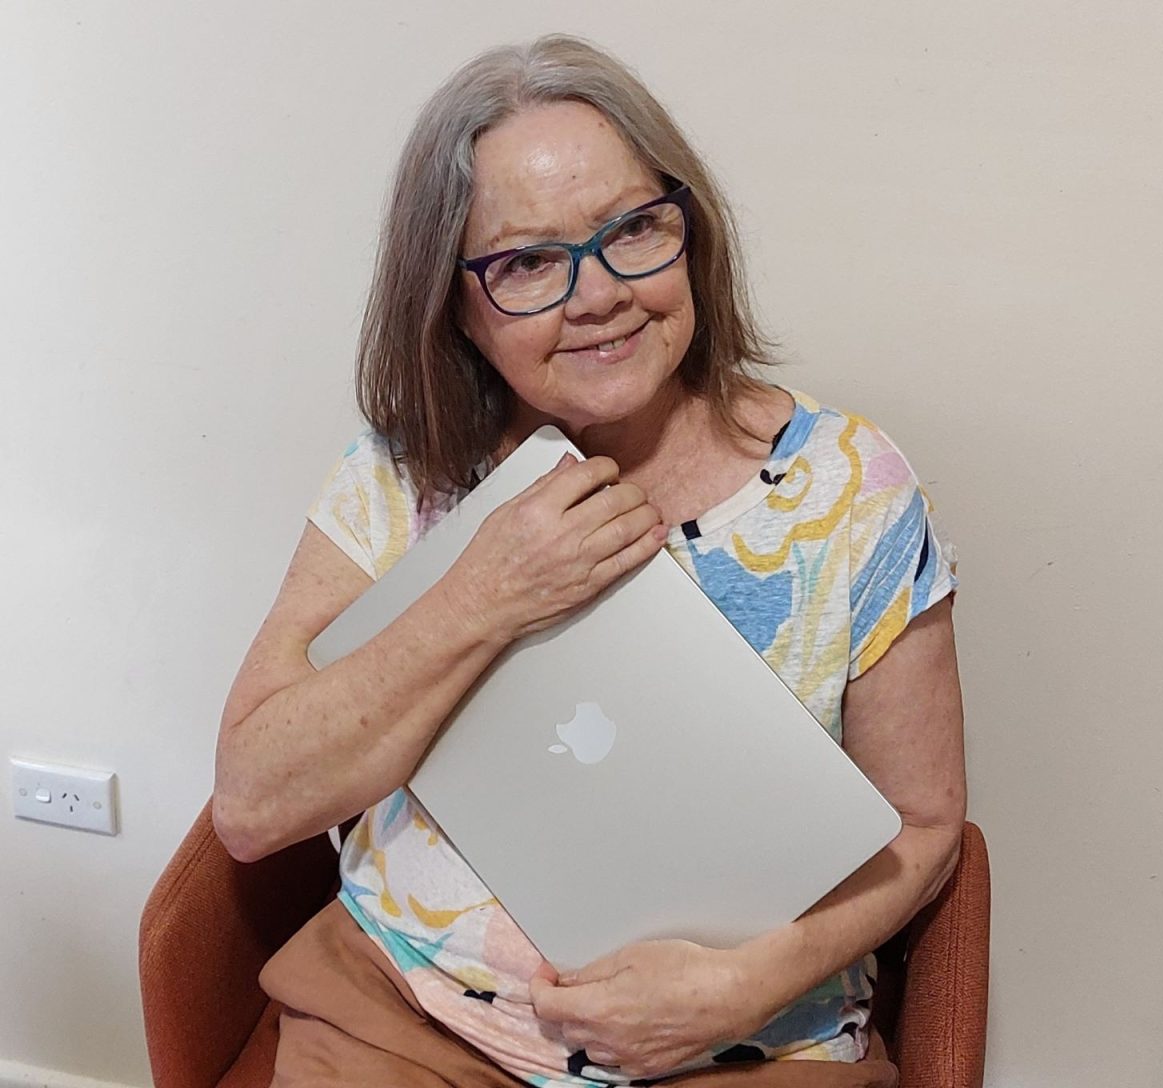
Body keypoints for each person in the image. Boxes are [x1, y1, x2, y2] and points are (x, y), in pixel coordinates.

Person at [213, 33, 965, 1088]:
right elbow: (252, 805)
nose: (599, 291)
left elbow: (926, 824)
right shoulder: (405, 473)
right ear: (457, 303)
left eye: (634, 229)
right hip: (406, 1015)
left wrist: (747, 983)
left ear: (688, 234)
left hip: (748, 1044)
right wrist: (486, 590)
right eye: (527, 260)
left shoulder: (855, 486)